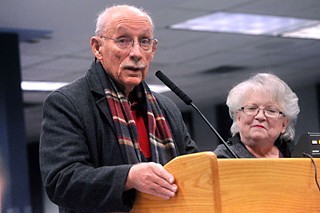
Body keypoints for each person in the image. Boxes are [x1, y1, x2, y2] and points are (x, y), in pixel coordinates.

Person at [39, 4, 198, 213]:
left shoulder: (166, 108)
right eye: (123, 41)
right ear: (97, 48)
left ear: (153, 49)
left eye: (144, 42)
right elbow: (61, 181)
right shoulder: (67, 103)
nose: (136, 53)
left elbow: (195, 170)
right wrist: (129, 177)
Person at [214, 73, 300, 158]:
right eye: (251, 108)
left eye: (271, 110)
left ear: (284, 124)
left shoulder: (300, 156)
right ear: (238, 117)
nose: (260, 116)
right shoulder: (222, 159)